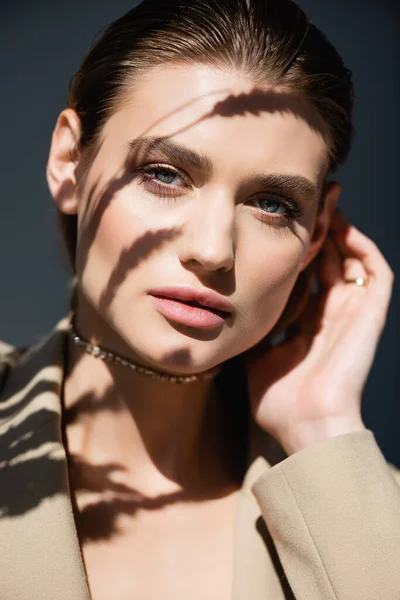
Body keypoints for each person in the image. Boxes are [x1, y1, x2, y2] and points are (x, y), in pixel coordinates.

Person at [0, 0, 399, 598]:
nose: (213, 250)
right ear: (69, 164)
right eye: (164, 173)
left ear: (317, 232)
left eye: (272, 204)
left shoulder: (368, 506)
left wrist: (320, 422)